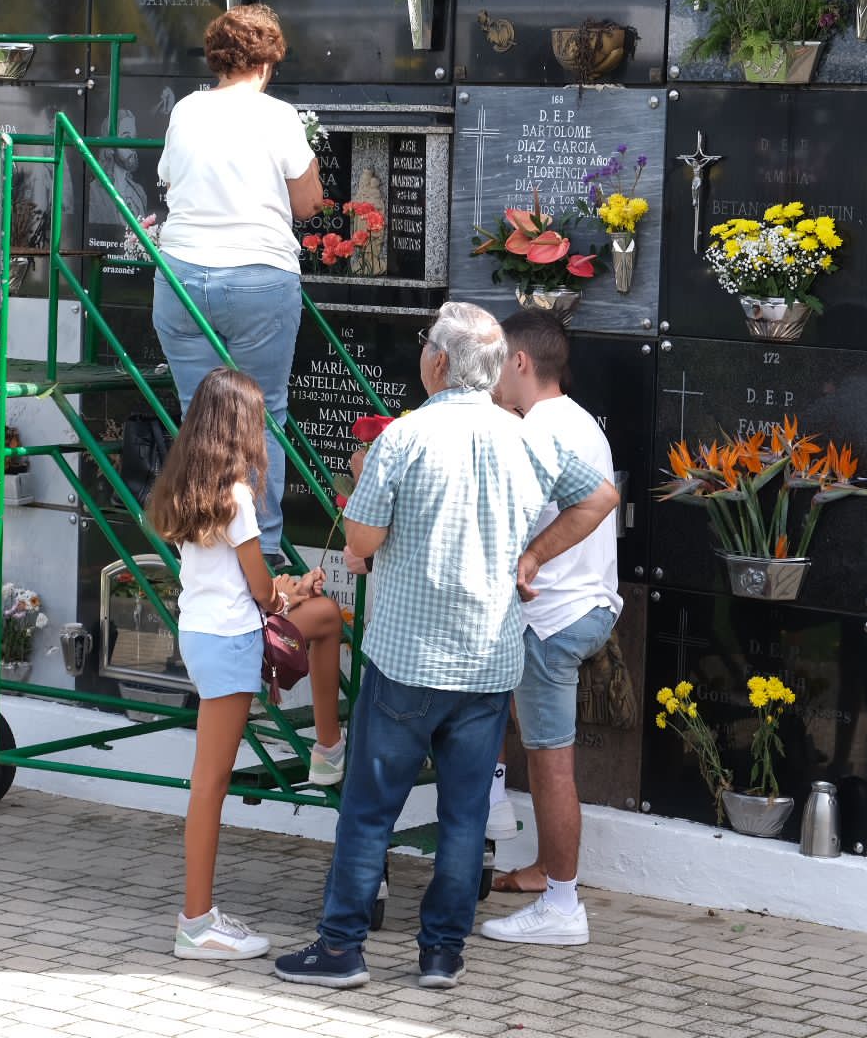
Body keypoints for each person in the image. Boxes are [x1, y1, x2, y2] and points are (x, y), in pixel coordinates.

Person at [272, 302, 618, 991]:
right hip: (489, 660)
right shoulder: (528, 437)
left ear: (437, 361)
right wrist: (531, 559)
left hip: (408, 657)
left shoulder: (405, 437)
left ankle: (342, 948)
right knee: (463, 816)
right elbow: (600, 498)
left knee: (371, 808)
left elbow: (361, 544)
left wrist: (373, 536)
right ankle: (441, 955)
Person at [146, 367, 347, 960]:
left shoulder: (185, 484)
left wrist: (285, 591)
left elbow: (237, 581)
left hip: (203, 634)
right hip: (234, 640)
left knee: (327, 616)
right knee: (209, 786)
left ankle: (328, 748)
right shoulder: (235, 494)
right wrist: (290, 590)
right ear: (239, 425)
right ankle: (197, 922)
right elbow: (262, 593)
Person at [151, 4, 323, 561]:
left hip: (180, 280)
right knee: (262, 414)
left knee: (196, 414)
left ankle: (200, 553)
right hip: (257, 279)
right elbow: (307, 202)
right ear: (269, 61)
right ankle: (263, 554)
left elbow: (169, 181)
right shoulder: (278, 116)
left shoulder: (187, 110)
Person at [479, 310, 621, 946]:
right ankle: (541, 870)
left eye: (494, 362)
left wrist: (531, 557)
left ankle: (563, 907)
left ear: (518, 361)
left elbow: (590, 504)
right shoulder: (573, 419)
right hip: (581, 607)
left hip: (552, 618)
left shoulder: (540, 429)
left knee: (551, 763)